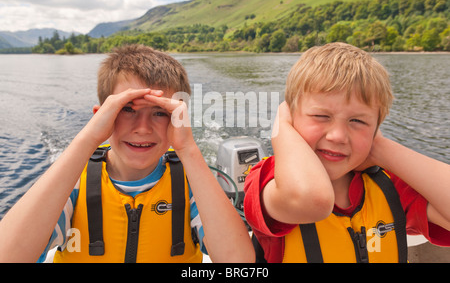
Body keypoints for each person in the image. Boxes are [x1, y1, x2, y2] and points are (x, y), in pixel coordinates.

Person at [0, 44, 254, 263]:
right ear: (103, 116)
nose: (142, 128)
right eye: (126, 110)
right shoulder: (72, 185)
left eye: (160, 112)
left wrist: (187, 149)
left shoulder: (192, 186)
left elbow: (237, 263)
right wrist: (88, 138)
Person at [244, 42, 450, 263]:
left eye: (358, 121)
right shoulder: (268, 180)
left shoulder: (389, 186)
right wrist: (282, 128)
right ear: (291, 118)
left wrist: (380, 149)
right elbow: (312, 199)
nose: (338, 136)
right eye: (321, 116)